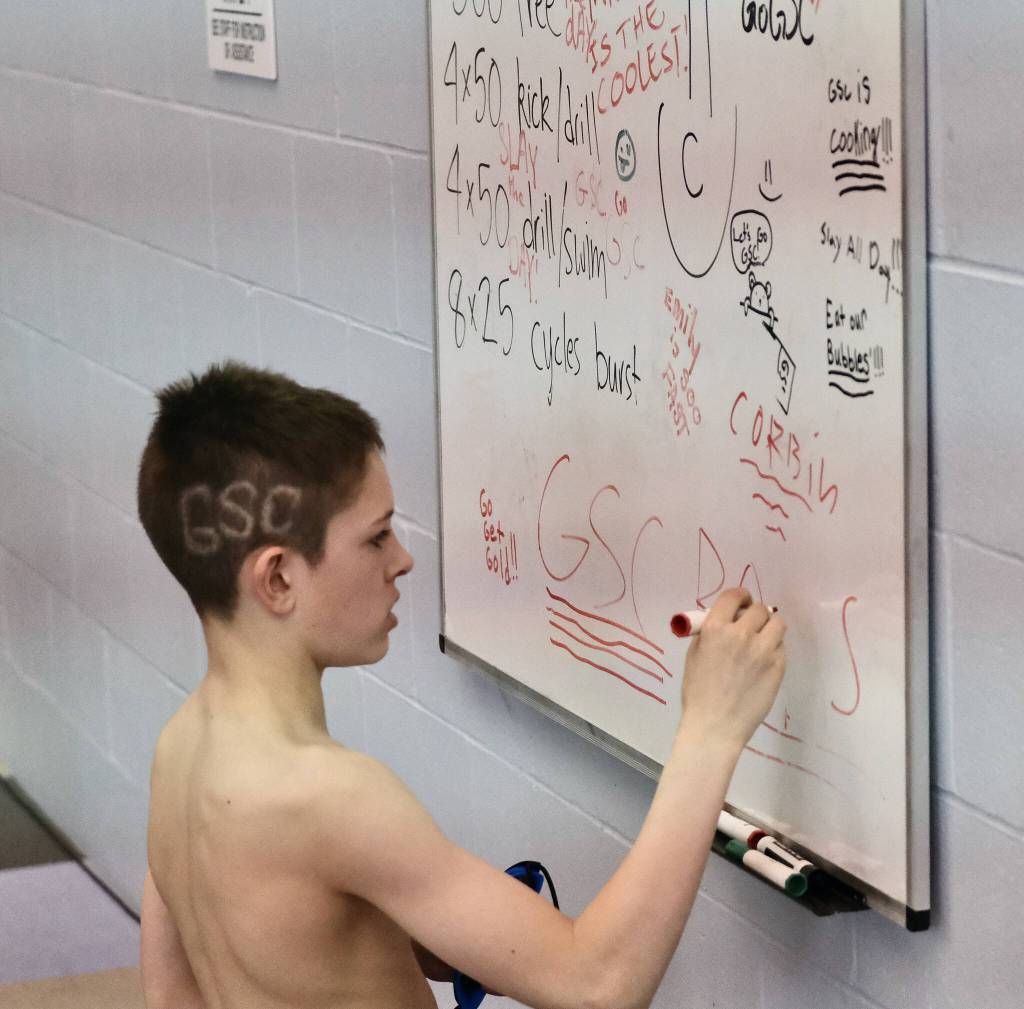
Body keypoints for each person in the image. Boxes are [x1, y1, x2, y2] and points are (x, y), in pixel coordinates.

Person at [137, 360, 786, 1009]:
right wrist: (711, 726)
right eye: (376, 537)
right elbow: (599, 984)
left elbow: (175, 992)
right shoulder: (332, 797)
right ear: (277, 579)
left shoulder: (180, 750)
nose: (402, 560)